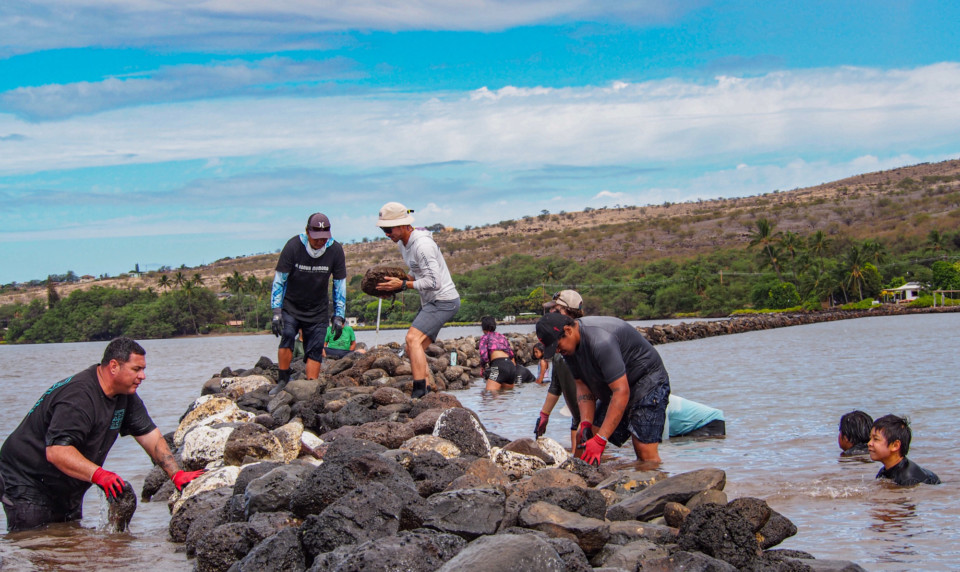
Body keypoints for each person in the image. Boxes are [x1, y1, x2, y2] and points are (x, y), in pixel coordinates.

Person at [0, 337, 204, 532]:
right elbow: (57, 452)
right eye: (136, 369)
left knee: (66, 538)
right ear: (114, 366)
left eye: (143, 369)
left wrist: (176, 474)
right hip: (25, 478)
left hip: (65, 483)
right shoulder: (78, 398)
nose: (143, 376)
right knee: (33, 540)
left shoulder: (125, 395)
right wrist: (100, 475)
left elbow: (150, 436)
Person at [536, 312, 671, 465]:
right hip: (614, 389)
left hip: (647, 383)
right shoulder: (569, 349)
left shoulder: (601, 341)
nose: (558, 351)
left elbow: (621, 392)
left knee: (644, 451)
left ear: (568, 331)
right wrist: (586, 423)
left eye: (558, 345)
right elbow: (582, 385)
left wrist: (601, 440)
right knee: (584, 434)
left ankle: (653, 482)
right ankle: (579, 477)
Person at [375, 202, 460, 399]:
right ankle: (428, 389)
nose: (386, 234)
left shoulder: (423, 246)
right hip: (431, 302)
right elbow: (415, 273)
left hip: (443, 300)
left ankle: (419, 392)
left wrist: (403, 285)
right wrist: (394, 286)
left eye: (389, 229)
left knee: (412, 339)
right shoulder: (403, 244)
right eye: (383, 230)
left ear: (404, 225)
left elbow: (434, 282)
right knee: (414, 348)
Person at [270, 212, 347, 395]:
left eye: (323, 238)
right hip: (291, 306)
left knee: (315, 347)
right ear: (307, 231)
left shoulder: (335, 250)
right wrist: (276, 311)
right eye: (316, 238)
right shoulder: (293, 246)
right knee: (288, 334)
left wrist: (339, 316)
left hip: (318, 308)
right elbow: (279, 280)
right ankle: (282, 380)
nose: (320, 242)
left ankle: (310, 387)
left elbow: (339, 285)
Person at [534, 290, 585, 454]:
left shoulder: (584, 342)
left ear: (570, 312)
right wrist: (544, 414)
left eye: (556, 310)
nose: (551, 313)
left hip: (592, 419)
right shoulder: (559, 346)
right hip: (577, 419)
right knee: (578, 461)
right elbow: (556, 384)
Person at [868, 414, 940, 486]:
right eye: (870, 438)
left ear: (895, 445)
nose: (869, 443)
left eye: (876, 439)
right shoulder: (884, 471)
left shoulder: (908, 478)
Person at [478, 316, 532, 390]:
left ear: (483, 328)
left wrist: (483, 368)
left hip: (498, 366)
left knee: (489, 395)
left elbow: (484, 357)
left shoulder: (484, 337)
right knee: (505, 396)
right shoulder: (502, 337)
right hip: (510, 367)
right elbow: (511, 354)